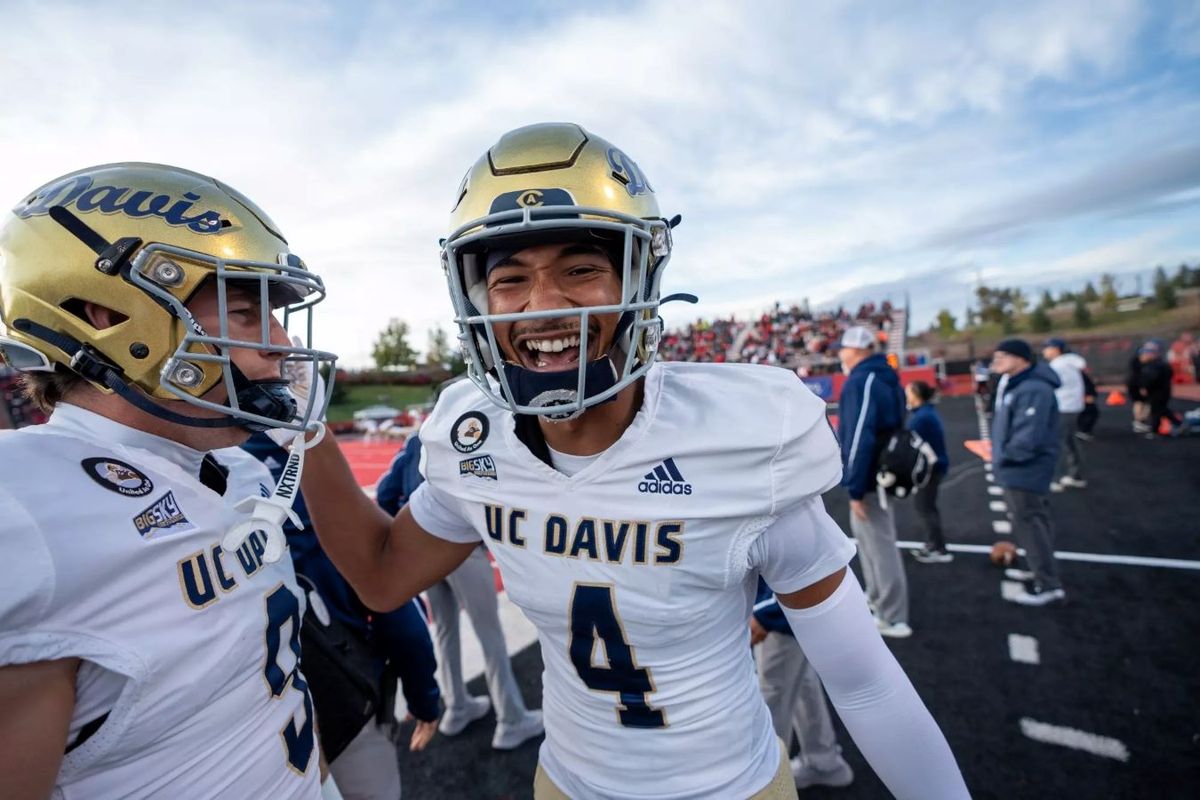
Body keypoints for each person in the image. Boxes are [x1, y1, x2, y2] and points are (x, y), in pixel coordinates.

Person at [280, 123, 967, 799]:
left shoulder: (742, 436)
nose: (543, 305)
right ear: (474, 297)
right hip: (567, 784)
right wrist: (310, 432)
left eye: (579, 270)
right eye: (510, 278)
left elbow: (864, 680)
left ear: (638, 277)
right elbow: (380, 577)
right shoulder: (473, 436)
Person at [0, 163, 337, 798]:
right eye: (245, 312)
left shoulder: (232, 467)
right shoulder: (26, 507)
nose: (284, 344)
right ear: (110, 317)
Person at [240, 431, 442, 800]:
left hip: (240, 730)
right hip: (340, 694)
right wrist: (424, 695)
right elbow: (391, 601)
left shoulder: (179, 476)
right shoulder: (297, 466)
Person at [375, 433, 544, 750]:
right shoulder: (473, 438)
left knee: (445, 631)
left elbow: (385, 492)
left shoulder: (415, 443)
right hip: (462, 549)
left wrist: (404, 538)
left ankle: (456, 707)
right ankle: (511, 720)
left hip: (420, 549)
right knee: (490, 635)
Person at [836, 325, 912, 638]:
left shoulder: (863, 379)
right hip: (881, 470)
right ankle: (877, 598)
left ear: (855, 350)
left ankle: (893, 615)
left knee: (879, 544)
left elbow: (859, 434)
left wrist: (854, 485)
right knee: (869, 541)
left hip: (870, 477)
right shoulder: (884, 375)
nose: (840, 354)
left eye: (843, 348)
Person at [751, 579, 855, 790]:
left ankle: (768, 784)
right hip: (783, 607)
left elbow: (792, 562)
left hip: (780, 610)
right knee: (801, 683)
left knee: (773, 695)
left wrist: (766, 614)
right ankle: (824, 760)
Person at [989, 339, 1066, 606]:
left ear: (1021, 358)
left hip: (1024, 471)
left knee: (1031, 524)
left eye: (1003, 355)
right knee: (1031, 523)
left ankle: (1048, 585)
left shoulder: (1033, 389)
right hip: (1019, 469)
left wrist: (1004, 456)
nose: (996, 360)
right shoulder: (1018, 384)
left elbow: (1028, 437)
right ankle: (1039, 571)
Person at [905, 380, 952, 563]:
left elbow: (910, 442)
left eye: (908, 392)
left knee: (925, 507)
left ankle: (938, 548)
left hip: (930, 469)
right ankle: (934, 544)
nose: (906, 396)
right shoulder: (925, 413)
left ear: (916, 395)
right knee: (926, 507)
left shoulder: (921, 418)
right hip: (935, 466)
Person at [1042, 338, 1087, 491]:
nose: (1044, 351)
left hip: (1063, 407)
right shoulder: (1070, 362)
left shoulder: (1058, 365)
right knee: (1069, 441)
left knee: (1056, 443)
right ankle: (1075, 475)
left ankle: (1055, 478)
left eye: (1046, 348)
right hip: (1072, 406)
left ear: (1055, 349)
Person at [1132, 341, 1177, 438]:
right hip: (1161, 391)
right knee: (1161, 409)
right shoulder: (1158, 364)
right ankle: (1177, 423)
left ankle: (1156, 430)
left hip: (1157, 391)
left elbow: (1151, 378)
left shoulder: (1154, 366)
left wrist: (1145, 387)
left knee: (1157, 411)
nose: (1142, 357)